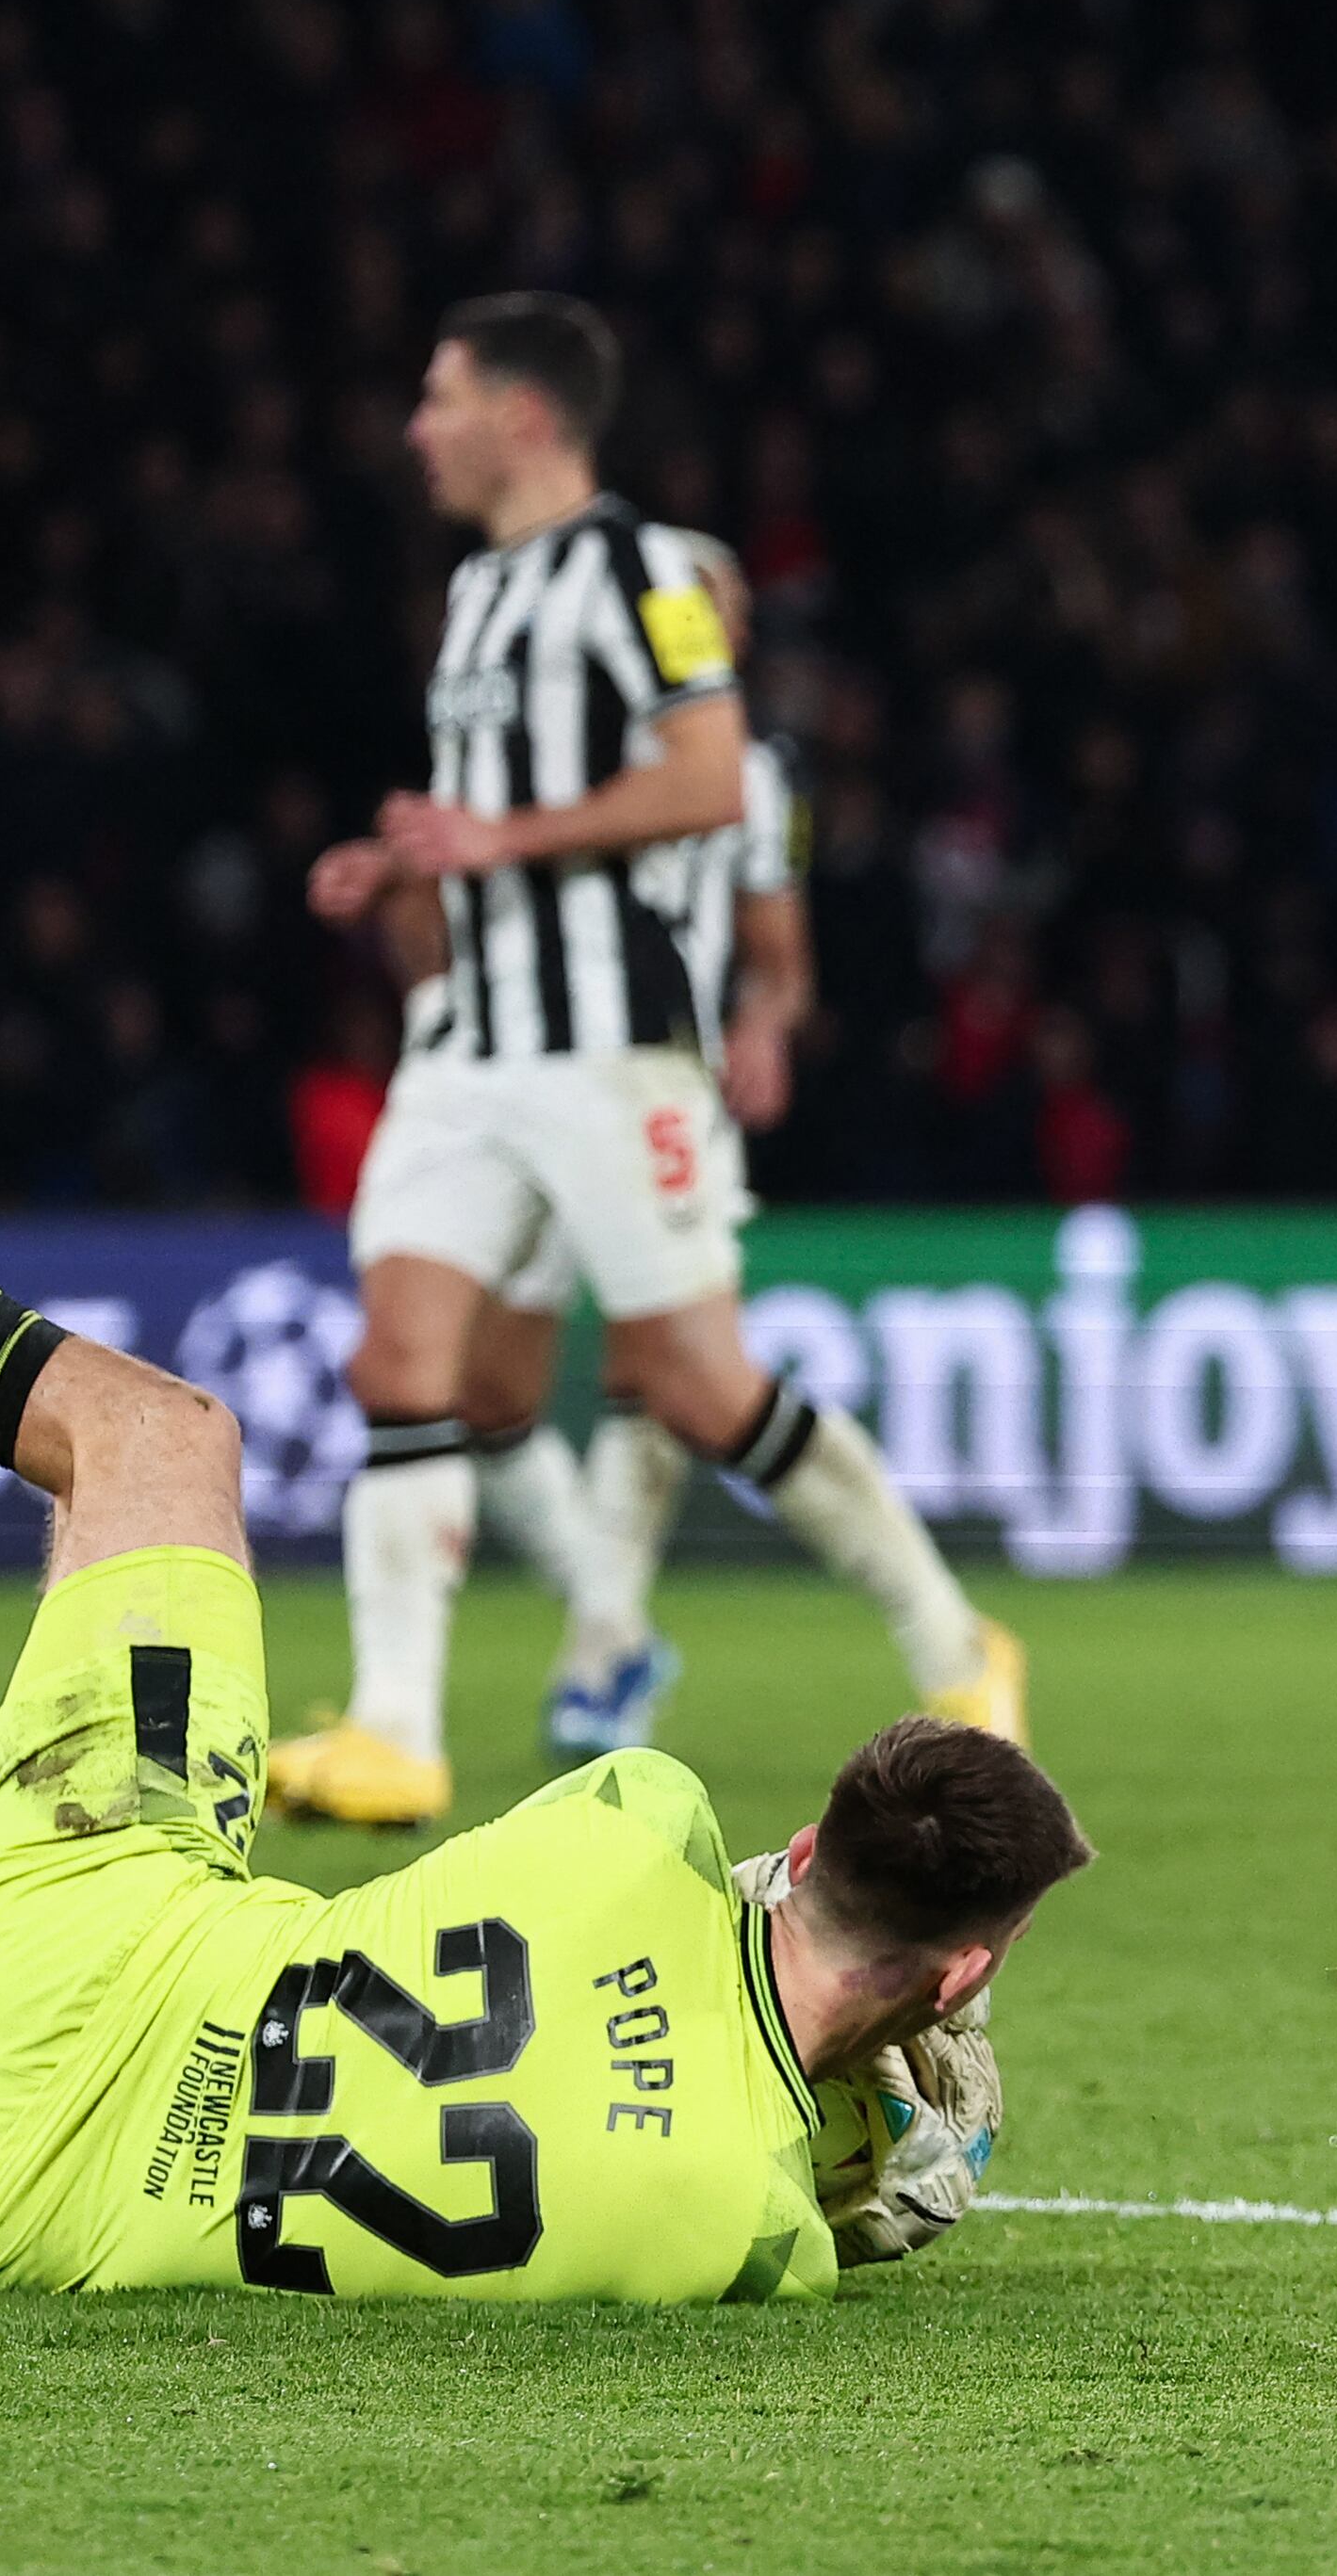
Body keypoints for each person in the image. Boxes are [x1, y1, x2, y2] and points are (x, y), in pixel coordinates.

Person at [0, 835, 1086, 2299]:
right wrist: (867, 2140)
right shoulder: (740, 2237)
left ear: (811, 1842)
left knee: (153, 1449)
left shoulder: (637, 1820)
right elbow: (809, 2186)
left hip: (111, 1938)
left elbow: (713, 1916)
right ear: (943, 1987)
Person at [282, 295, 1021, 1831]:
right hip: (467, 1045)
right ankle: (395, 1730)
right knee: (405, 1362)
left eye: (440, 397)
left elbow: (702, 774)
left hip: (612, 1052)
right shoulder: (480, 590)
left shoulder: (644, 575)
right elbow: (492, 803)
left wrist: (507, 841)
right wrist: (403, 856)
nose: (415, 429)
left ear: (525, 414)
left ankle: (955, 1642)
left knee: (693, 1384)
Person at [400, 531, 823, 1761]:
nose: (703, 617)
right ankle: (615, 1621)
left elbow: (782, 965)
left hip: (658, 1085)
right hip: (521, 1082)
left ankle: (600, 1655)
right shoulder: (531, 757)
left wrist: (763, 1020)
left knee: (660, 1370)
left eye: (719, 603)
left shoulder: (752, 775)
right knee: (485, 1391)